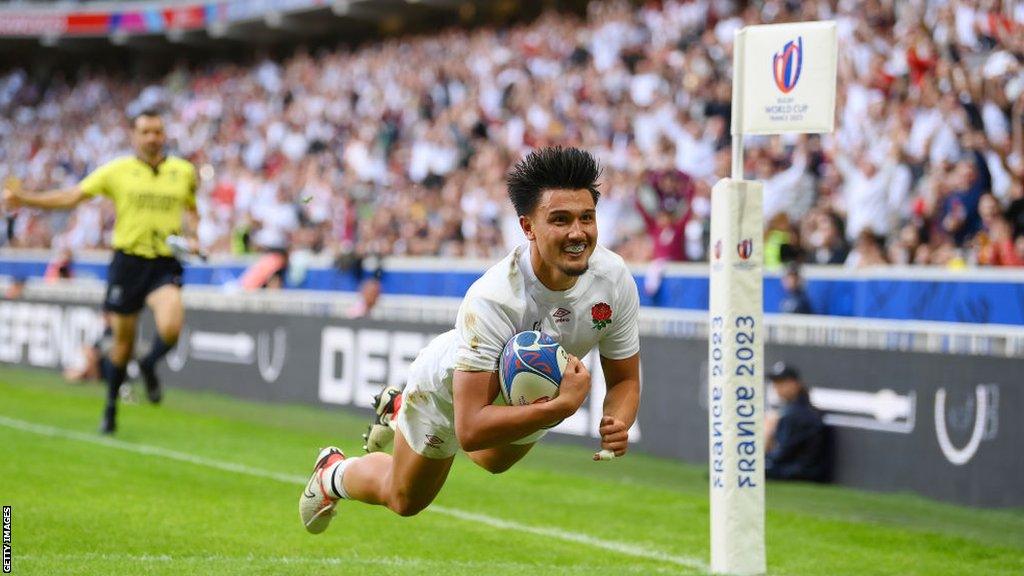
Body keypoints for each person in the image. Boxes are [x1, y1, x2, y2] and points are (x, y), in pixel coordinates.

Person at [299, 147, 641, 531]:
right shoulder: (494, 297)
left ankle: (397, 418)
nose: (578, 233)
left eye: (587, 218)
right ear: (528, 227)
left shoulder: (614, 279)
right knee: (404, 499)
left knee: (493, 461)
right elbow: (471, 428)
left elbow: (625, 379)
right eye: (560, 220)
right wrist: (561, 406)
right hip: (449, 393)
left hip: (531, 391)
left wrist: (618, 421)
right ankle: (333, 473)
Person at [2, 109, 199, 434]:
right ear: (134, 137)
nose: (152, 137)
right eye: (146, 131)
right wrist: (25, 198)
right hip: (128, 263)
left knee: (172, 325)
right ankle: (110, 407)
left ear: (164, 135)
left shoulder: (184, 171)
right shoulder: (117, 171)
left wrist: (193, 235)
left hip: (164, 262)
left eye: (157, 131)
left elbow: (192, 211)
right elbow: (71, 197)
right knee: (122, 343)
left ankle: (148, 364)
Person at [765, 362, 831, 483]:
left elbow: (780, 455)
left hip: (800, 472)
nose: (777, 388)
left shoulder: (796, 414)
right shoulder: (791, 411)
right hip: (798, 469)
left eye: (782, 383)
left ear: (795, 384)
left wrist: (768, 436)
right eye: (775, 383)